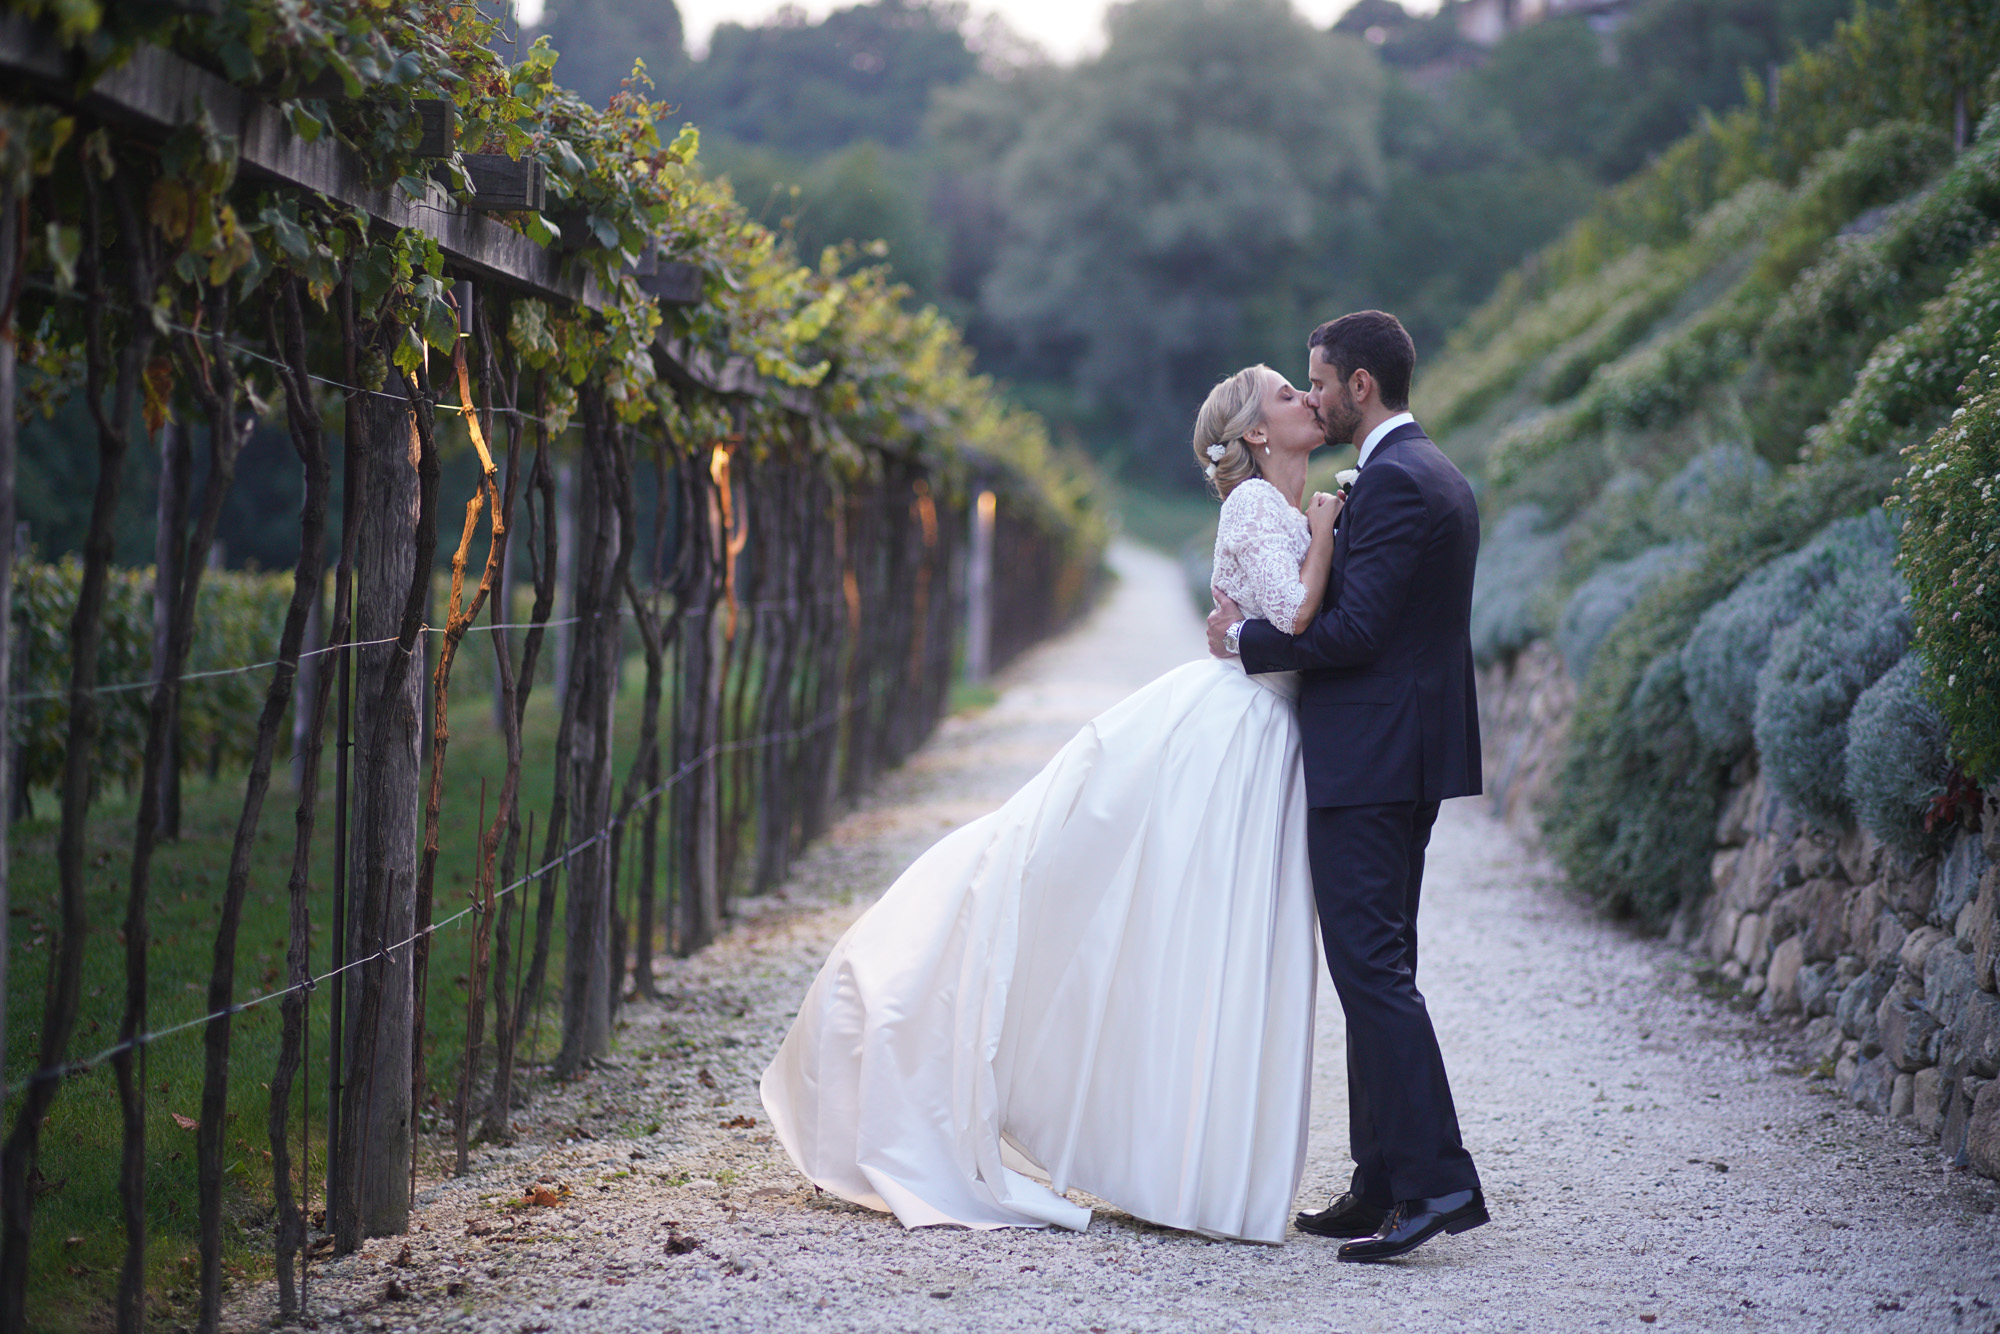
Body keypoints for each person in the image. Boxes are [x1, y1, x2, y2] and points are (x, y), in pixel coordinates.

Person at [760, 364, 1339, 1243]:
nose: (1305, 397)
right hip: (1241, 735)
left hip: (1265, 730)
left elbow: (1278, 624)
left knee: (1213, 940)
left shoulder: (1283, 509)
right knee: (1200, 931)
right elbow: (1296, 617)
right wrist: (1329, 534)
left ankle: (1192, 1165)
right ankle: (1189, 1168)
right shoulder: (1262, 508)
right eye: (1287, 394)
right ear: (1256, 434)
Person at [1207, 310, 1487, 1262]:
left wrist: (1247, 640)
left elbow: (1356, 634)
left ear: (1359, 384)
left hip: (1370, 761)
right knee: (1378, 968)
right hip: (1398, 756)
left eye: (1318, 379)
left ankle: (1435, 1183)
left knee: (1371, 973)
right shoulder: (1428, 470)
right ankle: (1381, 1182)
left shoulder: (1400, 483)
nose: (1313, 394)